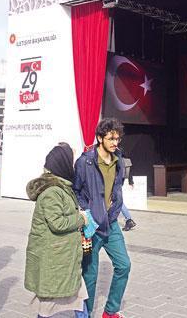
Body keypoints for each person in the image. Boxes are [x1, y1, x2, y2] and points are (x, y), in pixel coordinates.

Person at [74, 118, 131, 318]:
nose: (115, 143)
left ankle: (110, 311)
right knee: (90, 275)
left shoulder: (119, 159)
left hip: (112, 222)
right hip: (92, 224)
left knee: (124, 265)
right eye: (110, 138)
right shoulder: (85, 162)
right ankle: (85, 314)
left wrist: (115, 206)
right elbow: (76, 190)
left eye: (117, 138)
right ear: (99, 138)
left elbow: (117, 187)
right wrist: (86, 210)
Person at [25, 143, 89, 318]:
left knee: (78, 297)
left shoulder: (60, 187)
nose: (73, 165)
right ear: (63, 164)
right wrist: (81, 219)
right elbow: (57, 223)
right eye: (71, 160)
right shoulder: (52, 191)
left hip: (62, 259)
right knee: (48, 305)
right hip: (54, 261)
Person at [119, 157, 136, 231]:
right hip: (120, 182)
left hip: (113, 183)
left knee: (118, 202)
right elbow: (130, 172)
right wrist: (131, 181)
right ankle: (128, 220)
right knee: (118, 201)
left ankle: (129, 220)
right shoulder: (127, 160)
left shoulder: (114, 158)